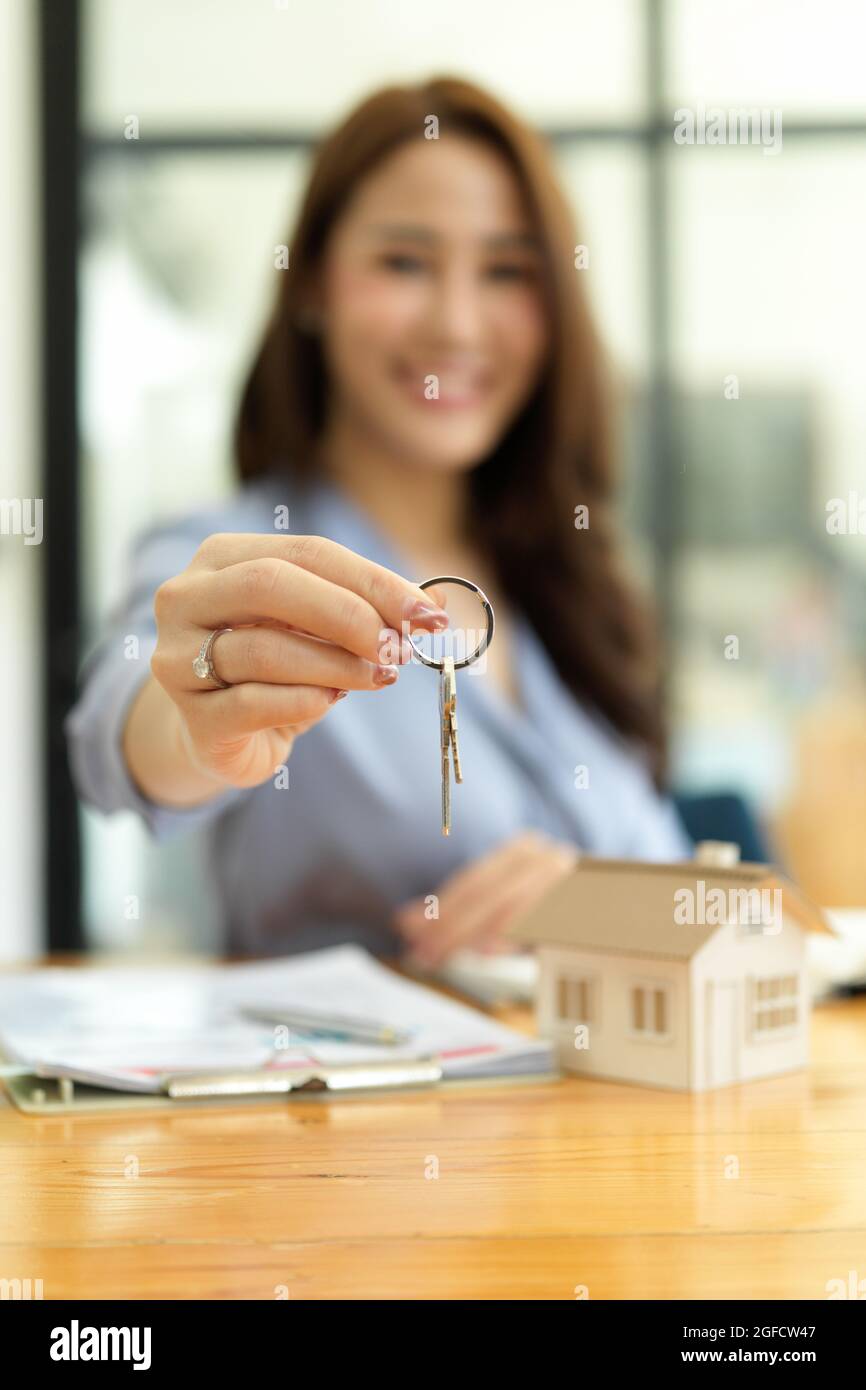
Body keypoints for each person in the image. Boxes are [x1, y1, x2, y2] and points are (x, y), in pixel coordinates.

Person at [66, 76, 691, 966]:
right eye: (404, 262)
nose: (456, 325)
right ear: (313, 285)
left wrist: (600, 905)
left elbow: (691, 891)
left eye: (507, 271)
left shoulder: (572, 584)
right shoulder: (225, 557)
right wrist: (197, 720)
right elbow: (120, 737)